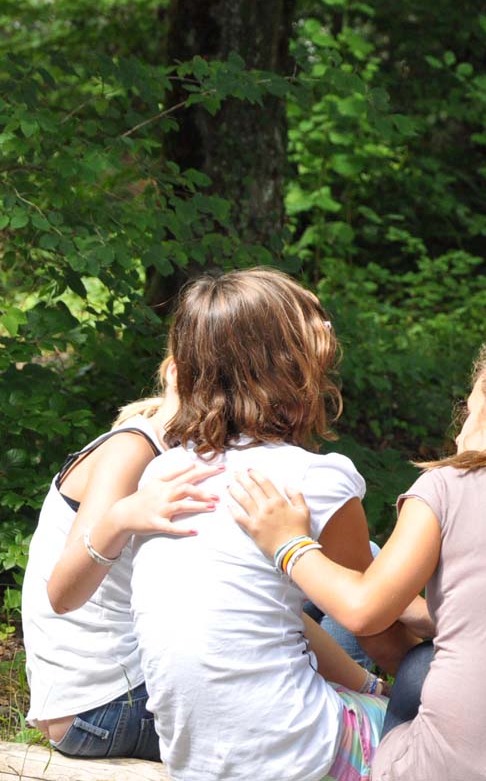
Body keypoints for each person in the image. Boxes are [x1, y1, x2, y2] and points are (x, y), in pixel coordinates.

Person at [230, 340, 486, 781]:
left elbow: (362, 611)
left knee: (420, 667)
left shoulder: (447, 485)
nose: (459, 432)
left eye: (469, 410)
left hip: (446, 770)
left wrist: (287, 543)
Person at [127, 267, 421, 781]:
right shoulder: (316, 479)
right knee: (438, 738)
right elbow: (378, 631)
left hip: (195, 761)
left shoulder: (164, 473)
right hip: (298, 752)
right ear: (290, 366)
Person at [21, 369, 221, 759]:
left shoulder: (165, 450)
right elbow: (61, 595)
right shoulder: (132, 451)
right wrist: (121, 518)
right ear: (173, 370)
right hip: (104, 708)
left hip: (91, 705)